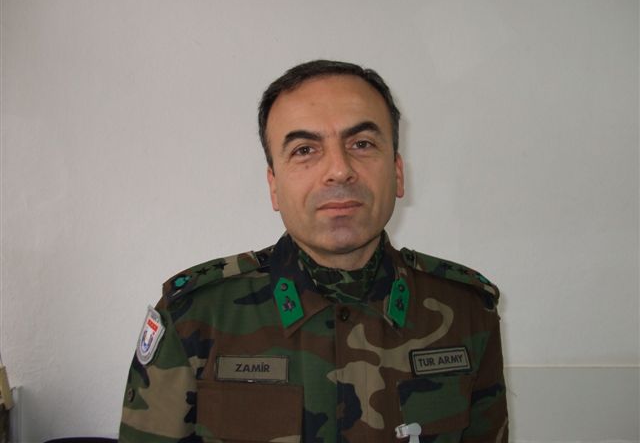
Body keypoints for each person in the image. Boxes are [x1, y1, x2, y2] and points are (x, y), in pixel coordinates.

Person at [118, 60, 508, 443]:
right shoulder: (193, 317)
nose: (339, 170)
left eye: (362, 144)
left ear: (398, 172)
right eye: (305, 150)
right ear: (274, 186)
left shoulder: (467, 312)